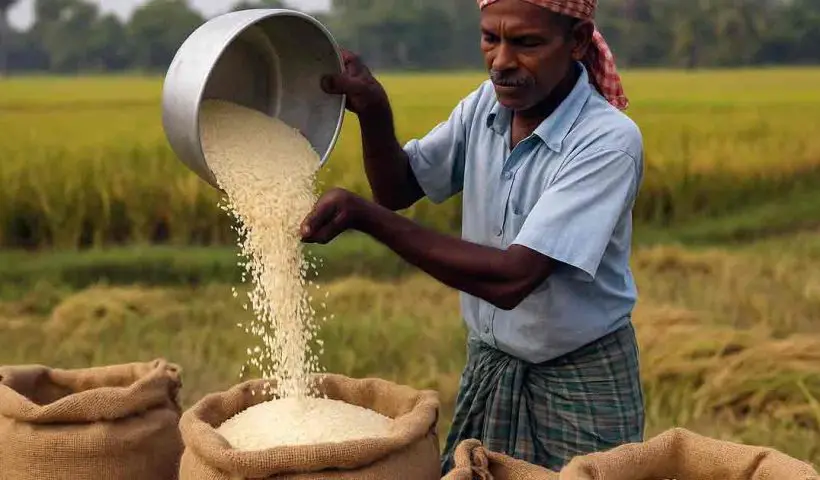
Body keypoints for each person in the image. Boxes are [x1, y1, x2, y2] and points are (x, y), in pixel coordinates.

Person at [300, 0, 645, 474]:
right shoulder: (485, 106)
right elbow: (399, 189)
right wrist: (374, 111)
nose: (501, 61)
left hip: (578, 381)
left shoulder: (606, 141)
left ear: (578, 42)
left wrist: (366, 218)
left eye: (526, 43)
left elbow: (512, 280)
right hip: (491, 364)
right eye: (490, 38)